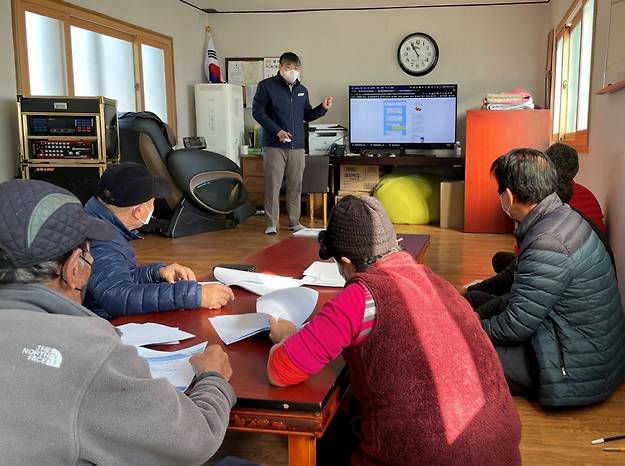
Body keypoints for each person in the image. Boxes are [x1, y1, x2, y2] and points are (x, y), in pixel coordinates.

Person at [266, 196, 522, 465]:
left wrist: (287, 337)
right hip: (500, 451)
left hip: (432, 456)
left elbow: (280, 371)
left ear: (345, 261)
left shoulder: (359, 297)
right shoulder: (437, 283)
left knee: (325, 438)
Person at [0, 179, 239, 465]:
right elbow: (195, 439)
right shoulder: (89, 352)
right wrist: (212, 379)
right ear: (74, 266)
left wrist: (153, 272)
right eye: (89, 256)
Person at [465, 148, 625, 407]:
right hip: (582, 345)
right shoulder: (558, 215)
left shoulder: (547, 241)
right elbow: (524, 294)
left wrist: (467, 329)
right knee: (475, 301)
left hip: (574, 367)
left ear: (508, 196)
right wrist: (473, 309)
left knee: (457, 354)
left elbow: (515, 324)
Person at [83, 162, 234, 319]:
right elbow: (118, 296)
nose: (153, 207)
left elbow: (114, 277)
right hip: (102, 325)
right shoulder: (101, 240)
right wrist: (194, 295)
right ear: (139, 211)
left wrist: (157, 273)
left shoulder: (99, 222)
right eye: (152, 201)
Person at [491, 142, 606, 273]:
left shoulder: (544, 199)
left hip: (565, 266)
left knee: (501, 264)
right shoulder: (587, 195)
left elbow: (527, 252)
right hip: (591, 264)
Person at [252, 51, 333, 235]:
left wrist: (323, 108)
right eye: (288, 67)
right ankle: (271, 224)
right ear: (280, 68)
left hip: (297, 146)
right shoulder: (266, 86)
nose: (292, 71)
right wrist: (277, 131)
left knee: (295, 186)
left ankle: (294, 222)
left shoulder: (302, 90)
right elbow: (258, 112)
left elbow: (307, 115)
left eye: (296, 68)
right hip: (274, 145)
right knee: (273, 186)